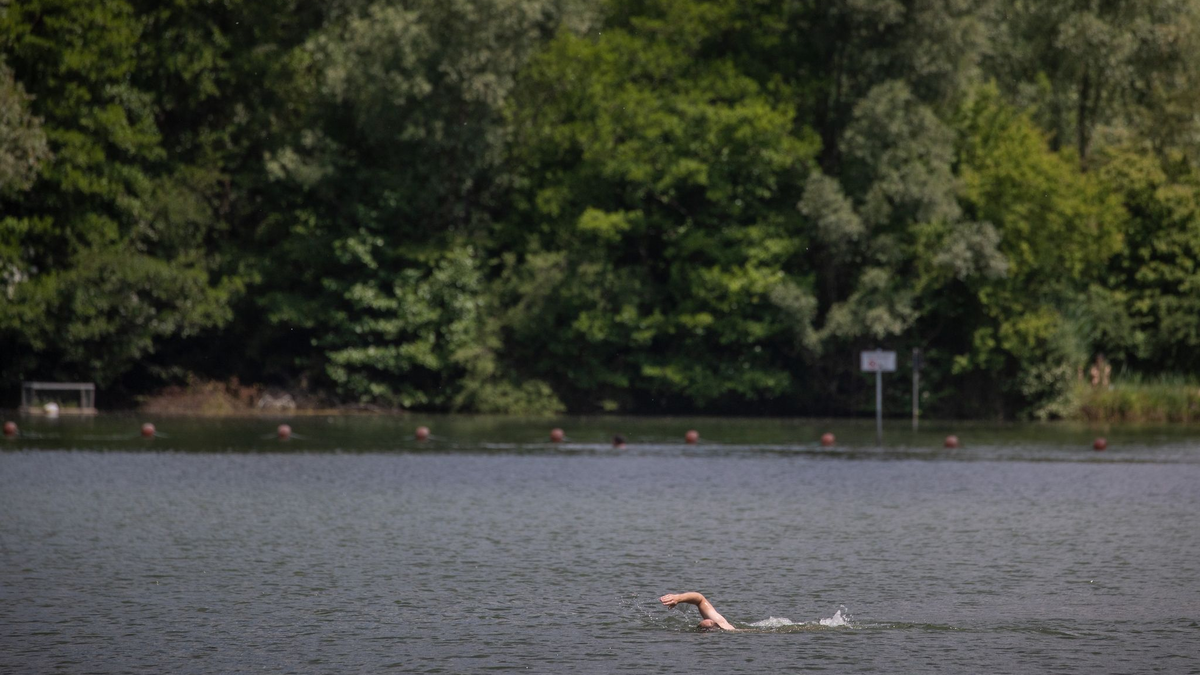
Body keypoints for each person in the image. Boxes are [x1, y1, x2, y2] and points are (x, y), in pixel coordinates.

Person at [659, 592, 736, 631]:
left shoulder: (726, 627)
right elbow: (700, 599)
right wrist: (678, 598)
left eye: (711, 622)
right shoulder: (725, 626)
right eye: (712, 622)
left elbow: (700, 599)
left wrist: (678, 598)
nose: (710, 621)